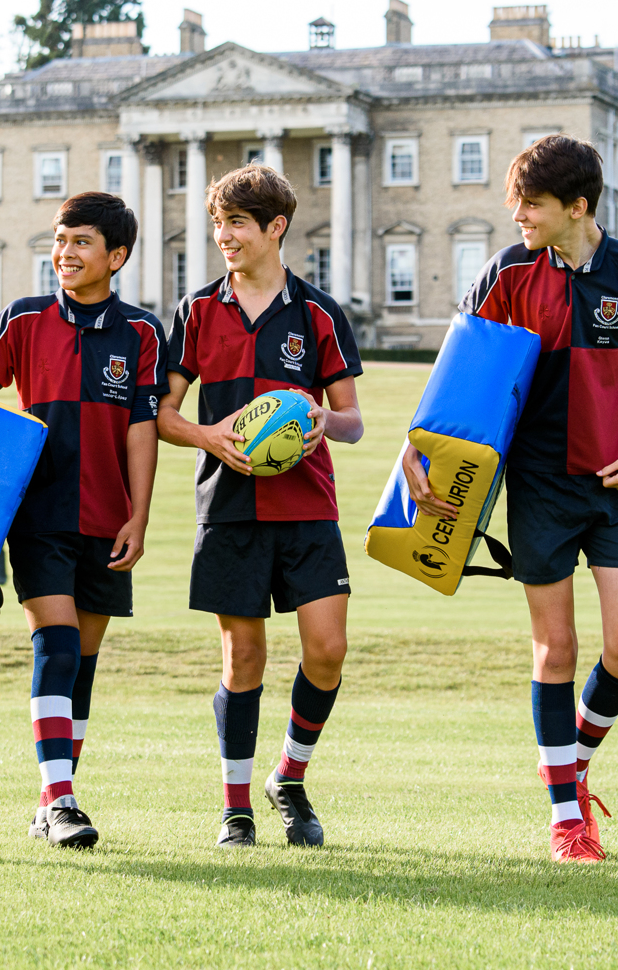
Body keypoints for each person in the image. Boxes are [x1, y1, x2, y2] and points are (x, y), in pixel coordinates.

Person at [402, 134, 618, 863]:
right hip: (539, 486)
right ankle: (568, 818)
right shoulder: (508, 272)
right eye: (516, 202)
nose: (517, 214)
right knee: (555, 647)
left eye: (531, 204)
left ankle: (571, 757)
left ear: (578, 207)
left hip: (617, 484)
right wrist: (415, 446)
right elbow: (459, 367)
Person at [158, 165, 364, 849]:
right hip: (229, 508)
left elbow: (352, 420)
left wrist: (316, 421)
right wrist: (208, 435)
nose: (224, 236)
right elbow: (162, 413)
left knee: (327, 651)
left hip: (309, 508)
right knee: (242, 658)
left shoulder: (318, 314)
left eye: (237, 223)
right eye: (219, 223)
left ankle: (291, 777)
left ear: (276, 227)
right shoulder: (195, 312)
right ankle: (236, 807)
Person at [0, 191, 165, 849]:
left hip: (108, 518)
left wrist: (140, 517)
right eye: (60, 240)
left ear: (116, 256)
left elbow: (141, 430)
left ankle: (50, 803)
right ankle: (65, 798)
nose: (65, 253)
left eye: (81, 243)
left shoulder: (143, 333)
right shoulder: (21, 320)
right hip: (38, 513)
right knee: (57, 645)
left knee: (84, 664)